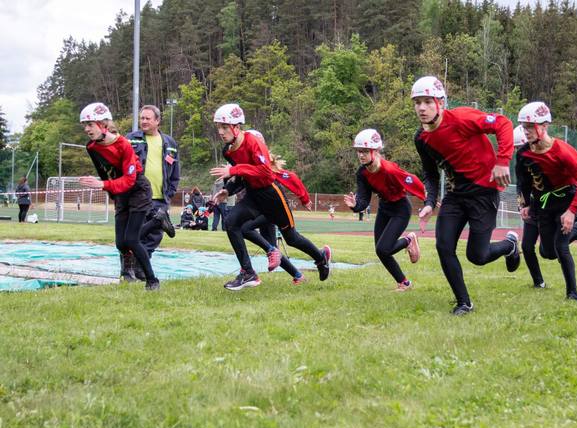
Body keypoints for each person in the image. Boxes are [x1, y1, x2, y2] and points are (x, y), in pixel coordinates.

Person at [412, 76, 519, 315]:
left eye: (428, 101)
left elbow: (503, 123)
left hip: (483, 192)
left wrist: (503, 161)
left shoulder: (461, 118)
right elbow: (429, 173)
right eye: (417, 102)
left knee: (477, 256)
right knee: (443, 245)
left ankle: (510, 245)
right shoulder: (421, 139)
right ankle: (464, 302)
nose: (421, 108)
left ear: (440, 102)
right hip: (455, 195)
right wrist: (430, 202)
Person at [210, 103, 331, 291]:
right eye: (218, 127)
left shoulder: (253, 142)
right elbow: (243, 177)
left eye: (224, 127)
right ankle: (248, 272)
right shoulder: (228, 151)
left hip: (271, 195)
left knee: (292, 238)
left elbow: (265, 173)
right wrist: (228, 190)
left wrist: (234, 169)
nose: (220, 131)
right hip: (253, 196)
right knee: (231, 222)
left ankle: (320, 258)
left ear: (237, 127)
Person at [516, 102, 577, 301]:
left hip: (565, 203)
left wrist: (573, 211)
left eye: (530, 126)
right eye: (523, 126)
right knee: (548, 252)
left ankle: (572, 293)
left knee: (561, 247)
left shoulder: (564, 152)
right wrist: (524, 205)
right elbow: (523, 182)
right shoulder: (522, 155)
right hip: (543, 206)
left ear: (544, 126)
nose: (525, 131)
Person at [77, 102, 159, 290]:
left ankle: (152, 280)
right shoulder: (91, 147)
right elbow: (104, 173)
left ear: (103, 125)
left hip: (138, 189)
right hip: (120, 192)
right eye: (85, 125)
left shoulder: (124, 145)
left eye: (90, 124)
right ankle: (156, 222)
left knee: (132, 240)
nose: (87, 129)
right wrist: (109, 190)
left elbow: (130, 180)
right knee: (121, 243)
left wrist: (103, 184)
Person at [343, 129, 425, 291]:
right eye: (359, 151)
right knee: (381, 251)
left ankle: (408, 240)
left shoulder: (389, 169)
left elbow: (411, 180)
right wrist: (355, 206)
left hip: (400, 209)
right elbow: (364, 199)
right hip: (384, 208)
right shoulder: (362, 173)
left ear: (375, 151)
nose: (361, 155)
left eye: (365, 151)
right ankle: (404, 283)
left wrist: (427, 197)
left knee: (383, 248)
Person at [238, 144, 313, 285]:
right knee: (272, 247)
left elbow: (291, 177)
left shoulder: (266, 170)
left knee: (245, 229)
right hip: (264, 212)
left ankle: (318, 256)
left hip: (270, 211)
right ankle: (298, 275)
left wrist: (305, 198)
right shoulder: (250, 167)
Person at [123, 105, 179, 280]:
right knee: (132, 234)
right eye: (142, 118)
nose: (144, 121)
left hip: (160, 198)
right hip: (136, 197)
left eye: (148, 118)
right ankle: (127, 272)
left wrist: (169, 193)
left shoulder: (170, 143)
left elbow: (175, 172)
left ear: (157, 121)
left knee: (154, 236)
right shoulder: (131, 140)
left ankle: (141, 268)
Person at [513, 125, 546, 289]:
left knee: (550, 251)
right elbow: (520, 185)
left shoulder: (546, 157)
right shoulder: (520, 162)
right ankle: (538, 282)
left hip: (549, 207)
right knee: (526, 246)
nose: (519, 152)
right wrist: (523, 206)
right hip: (532, 207)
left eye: (520, 147)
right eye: (516, 148)